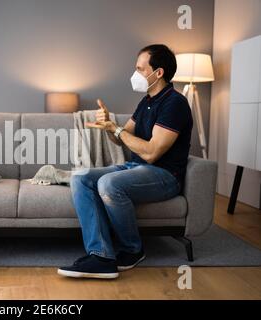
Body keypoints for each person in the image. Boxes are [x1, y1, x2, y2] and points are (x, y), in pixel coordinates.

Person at [58, 44, 193, 279]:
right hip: (136, 168)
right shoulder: (146, 102)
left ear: (158, 73)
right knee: (80, 177)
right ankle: (100, 255)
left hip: (164, 175)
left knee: (109, 184)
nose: (135, 74)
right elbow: (121, 138)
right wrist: (108, 124)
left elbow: (152, 153)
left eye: (140, 69)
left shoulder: (175, 104)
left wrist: (117, 130)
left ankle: (133, 249)